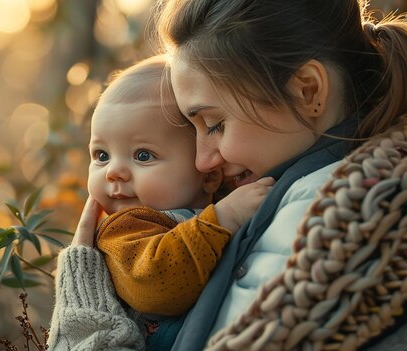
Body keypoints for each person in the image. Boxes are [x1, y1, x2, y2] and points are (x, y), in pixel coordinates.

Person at [48, 0, 407, 349]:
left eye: (215, 124)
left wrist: (83, 309)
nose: (203, 162)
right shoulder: (353, 190)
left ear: (307, 91)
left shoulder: (329, 216)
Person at [56, 54, 273, 348]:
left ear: (209, 175)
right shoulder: (125, 229)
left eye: (143, 155)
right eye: (101, 155)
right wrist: (224, 217)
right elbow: (157, 284)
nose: (113, 172)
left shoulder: (216, 202)